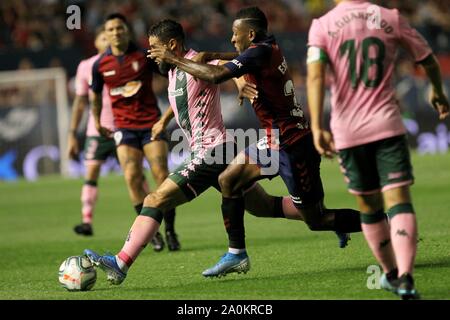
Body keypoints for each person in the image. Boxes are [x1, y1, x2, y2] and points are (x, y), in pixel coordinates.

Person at [83, 19, 346, 285]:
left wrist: (241, 80)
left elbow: (233, 65)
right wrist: (164, 120)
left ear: (172, 45)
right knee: (263, 206)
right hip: (219, 151)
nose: (151, 54)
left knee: (154, 200)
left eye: (155, 48)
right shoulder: (174, 69)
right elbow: (185, 97)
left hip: (213, 150)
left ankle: (120, 263)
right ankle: (328, 220)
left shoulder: (197, 60)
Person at [148, 7, 364, 278]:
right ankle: (236, 254)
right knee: (229, 179)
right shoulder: (265, 48)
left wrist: (172, 58)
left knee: (316, 219)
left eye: (235, 34)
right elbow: (234, 59)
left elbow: (215, 76)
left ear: (250, 34)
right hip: (273, 140)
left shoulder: (259, 53)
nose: (232, 39)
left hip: (293, 144)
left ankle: (383, 223)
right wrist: (211, 56)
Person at [306, 0, 449, 299]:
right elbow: (427, 59)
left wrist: (318, 126)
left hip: (348, 131)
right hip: (387, 125)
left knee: (370, 207)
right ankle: (407, 278)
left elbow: (316, 75)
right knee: (399, 200)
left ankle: (390, 274)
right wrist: (437, 91)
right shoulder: (390, 18)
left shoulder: (322, 26)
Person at [90, 13, 180, 251]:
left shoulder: (143, 55)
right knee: (132, 177)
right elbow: (96, 96)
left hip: (151, 123)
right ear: (105, 34)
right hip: (124, 128)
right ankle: (151, 233)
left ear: (126, 31)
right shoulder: (100, 65)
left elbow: (171, 75)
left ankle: (170, 229)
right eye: (111, 29)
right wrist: (97, 121)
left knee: (161, 175)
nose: (116, 32)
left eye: (120, 28)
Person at [68, 27, 116, 236]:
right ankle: (86, 220)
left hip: (122, 129)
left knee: (135, 176)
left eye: (110, 37)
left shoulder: (122, 62)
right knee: (91, 174)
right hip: (96, 131)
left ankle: (150, 226)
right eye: (103, 37)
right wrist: (72, 134)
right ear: (95, 42)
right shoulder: (86, 66)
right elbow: (80, 102)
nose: (107, 40)